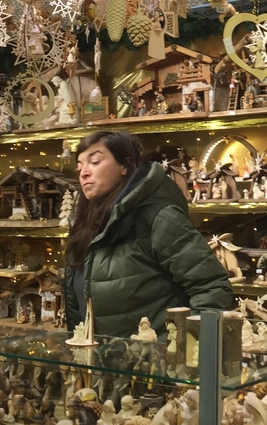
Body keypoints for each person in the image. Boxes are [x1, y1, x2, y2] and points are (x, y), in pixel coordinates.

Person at [65, 131, 234, 340]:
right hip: (100, 357)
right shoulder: (85, 225)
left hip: (154, 357)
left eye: (95, 162)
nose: (84, 173)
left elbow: (211, 289)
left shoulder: (159, 217)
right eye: (80, 166)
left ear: (124, 165)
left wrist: (185, 347)